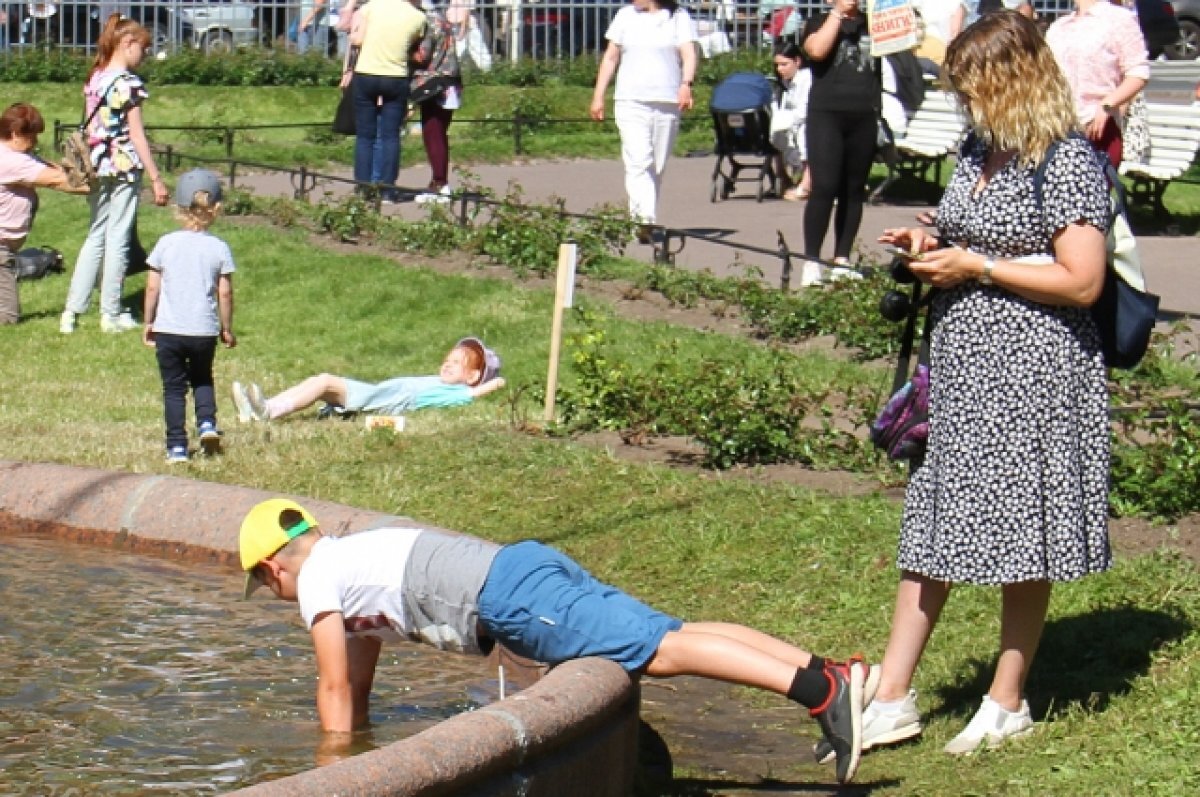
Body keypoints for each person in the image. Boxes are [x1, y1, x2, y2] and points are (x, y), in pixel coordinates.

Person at [868, 10, 1111, 758]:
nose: (961, 100)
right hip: (968, 364)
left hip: (1035, 369)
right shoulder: (983, 147)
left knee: (1022, 531)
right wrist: (932, 240)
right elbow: (970, 223)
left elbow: (1083, 280)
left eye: (972, 86)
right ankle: (892, 695)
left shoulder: (1064, 160)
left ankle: (1006, 700)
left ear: (1013, 82)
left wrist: (978, 267)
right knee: (934, 518)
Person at [238, 497, 874, 783]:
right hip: (520, 565)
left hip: (510, 600)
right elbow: (356, 683)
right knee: (671, 631)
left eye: (264, 586)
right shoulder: (348, 556)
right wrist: (359, 739)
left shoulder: (318, 577)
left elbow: (331, 685)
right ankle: (829, 672)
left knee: (660, 653)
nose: (276, 594)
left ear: (272, 568)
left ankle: (820, 693)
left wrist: (334, 773)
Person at [60, 14, 169, 336]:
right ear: (128, 43)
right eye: (143, 49)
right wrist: (156, 178)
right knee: (118, 239)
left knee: (95, 236)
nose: (145, 55)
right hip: (123, 165)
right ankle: (111, 311)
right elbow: (137, 136)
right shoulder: (129, 83)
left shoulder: (94, 77)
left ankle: (72, 312)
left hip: (95, 163)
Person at [142, 169, 236, 463]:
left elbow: (152, 286)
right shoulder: (218, 248)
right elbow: (225, 294)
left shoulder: (166, 244)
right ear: (216, 208)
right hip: (203, 331)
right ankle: (207, 423)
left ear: (179, 207)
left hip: (169, 329)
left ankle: (177, 447)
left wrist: (149, 322)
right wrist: (226, 328)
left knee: (173, 389)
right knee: (203, 379)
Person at [589, 0, 697, 245]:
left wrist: (686, 84)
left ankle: (643, 217)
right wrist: (598, 96)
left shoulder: (677, 17)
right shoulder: (625, 16)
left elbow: (688, 54)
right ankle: (643, 220)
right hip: (630, 99)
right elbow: (610, 58)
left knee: (657, 165)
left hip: (667, 100)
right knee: (639, 160)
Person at [231, 337, 504, 423]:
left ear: (472, 376)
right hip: (377, 393)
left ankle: (269, 411)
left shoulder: (454, 393)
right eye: (448, 359)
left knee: (325, 382)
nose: (447, 364)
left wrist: (493, 382)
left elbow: (477, 393)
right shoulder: (440, 382)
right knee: (318, 380)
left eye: (457, 364)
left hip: (379, 401)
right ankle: (262, 408)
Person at [799, 0, 879, 283]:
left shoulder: (874, 22)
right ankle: (811, 260)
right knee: (825, 186)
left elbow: (904, 48)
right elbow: (816, 51)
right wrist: (838, 14)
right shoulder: (819, 21)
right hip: (827, 114)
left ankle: (842, 258)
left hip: (864, 113)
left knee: (853, 189)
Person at [0, 104, 89, 325]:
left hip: (6, 247)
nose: (36, 142)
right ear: (15, 134)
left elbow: (52, 169)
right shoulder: (11, 161)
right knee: (7, 318)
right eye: (32, 137)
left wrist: (73, 164)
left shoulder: (16, 155)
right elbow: (59, 181)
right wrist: (99, 183)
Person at [1046, 0, 1149, 169]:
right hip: (1057, 131)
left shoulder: (1119, 19)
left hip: (1097, 131)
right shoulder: (1059, 27)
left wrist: (1107, 105)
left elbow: (1138, 73)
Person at [345, 0, 427, 203]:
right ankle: (387, 190)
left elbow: (358, 40)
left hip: (366, 73)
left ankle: (363, 189)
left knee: (365, 136)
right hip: (395, 76)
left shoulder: (371, 7)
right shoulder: (418, 17)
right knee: (391, 136)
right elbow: (415, 47)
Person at [410, 0, 463, 203]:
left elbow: (422, 56)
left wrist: (402, 50)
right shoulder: (440, 18)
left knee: (433, 132)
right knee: (438, 132)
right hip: (449, 80)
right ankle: (437, 182)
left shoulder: (426, 21)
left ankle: (440, 183)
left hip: (435, 83)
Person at [770, 41, 813, 203]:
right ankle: (783, 176)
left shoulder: (806, 78)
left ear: (798, 61)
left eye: (784, 64)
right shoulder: (784, 83)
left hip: (808, 119)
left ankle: (807, 183)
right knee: (775, 131)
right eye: (777, 65)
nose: (780, 69)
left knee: (803, 133)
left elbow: (805, 109)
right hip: (794, 119)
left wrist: (789, 121)